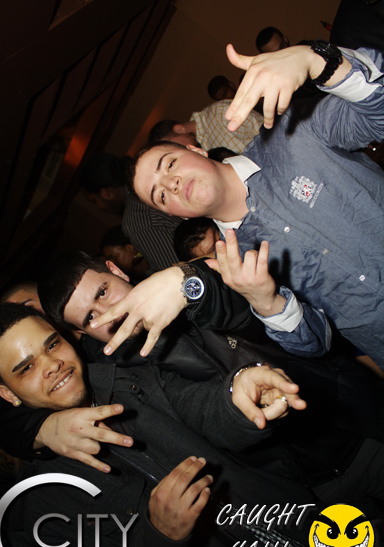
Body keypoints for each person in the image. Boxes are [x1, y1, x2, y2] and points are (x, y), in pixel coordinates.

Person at [0, 303, 334, 547]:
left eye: (52, 344)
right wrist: (161, 541)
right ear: (8, 394)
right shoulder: (36, 511)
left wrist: (241, 398)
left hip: (307, 535)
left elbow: (204, 408)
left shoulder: (131, 384)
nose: (52, 364)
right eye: (26, 368)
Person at [101, 43, 384, 369]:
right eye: (161, 196)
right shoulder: (237, 268)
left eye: (170, 164)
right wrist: (267, 301)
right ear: (174, 214)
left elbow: (376, 111)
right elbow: (318, 343)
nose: (171, 184)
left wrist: (317, 59)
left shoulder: (291, 134)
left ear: (197, 150)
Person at [79, 153, 182, 271]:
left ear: (105, 193)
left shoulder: (136, 218)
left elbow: (176, 270)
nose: (100, 208)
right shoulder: (150, 181)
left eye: (94, 201)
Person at [149, 96, 264, 154]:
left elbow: (266, 129)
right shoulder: (202, 150)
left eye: (174, 146)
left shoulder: (218, 113)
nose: (178, 151)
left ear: (180, 129)